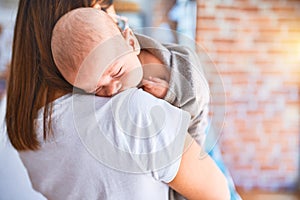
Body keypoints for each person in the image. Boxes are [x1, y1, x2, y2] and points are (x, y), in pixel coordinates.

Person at [5, 1, 229, 200]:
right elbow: (218, 193)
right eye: (104, 7)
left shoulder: (27, 129)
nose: (111, 90)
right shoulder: (134, 110)